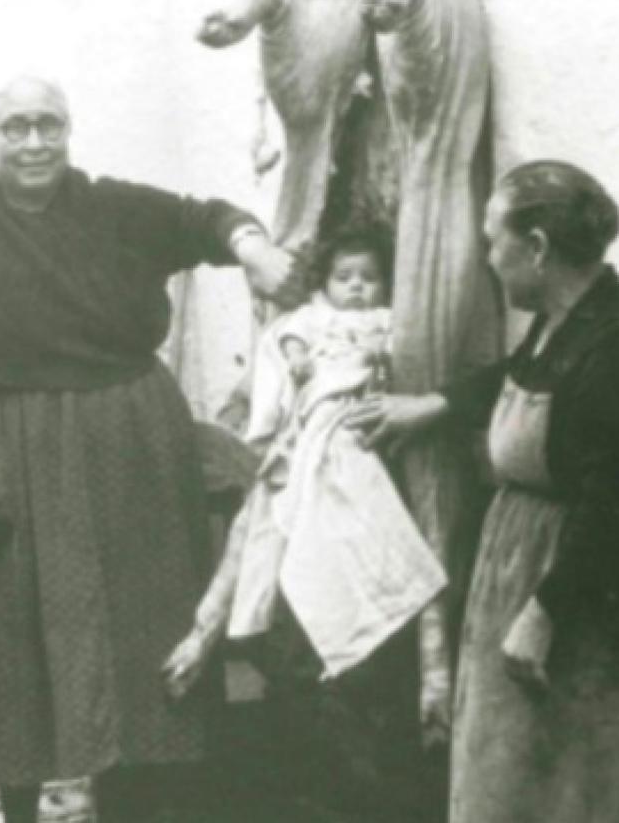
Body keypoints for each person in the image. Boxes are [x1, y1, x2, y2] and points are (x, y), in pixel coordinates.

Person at [0, 75, 304, 823]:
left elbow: (204, 220)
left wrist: (254, 247)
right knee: (18, 651)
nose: (34, 141)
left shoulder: (114, 211)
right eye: (14, 128)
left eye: (48, 124)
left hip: (127, 456)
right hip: (9, 466)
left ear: (69, 133)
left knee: (132, 634)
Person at [345, 161, 619, 823]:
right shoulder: (562, 314)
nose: (487, 258)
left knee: (607, 758)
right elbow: (516, 380)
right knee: (571, 751)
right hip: (564, 539)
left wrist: (545, 612)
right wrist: (435, 404)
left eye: (493, 242)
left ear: (537, 247)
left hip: (611, 562)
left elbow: (615, 507)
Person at [163, 222, 450, 794]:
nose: (358, 289)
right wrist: (295, 359)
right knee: (273, 531)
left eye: (369, 278)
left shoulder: (390, 322)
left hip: (363, 426)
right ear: (325, 282)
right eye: (345, 277)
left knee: (362, 545)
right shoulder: (313, 319)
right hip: (313, 427)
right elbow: (290, 337)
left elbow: (398, 352)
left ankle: (384, 726)